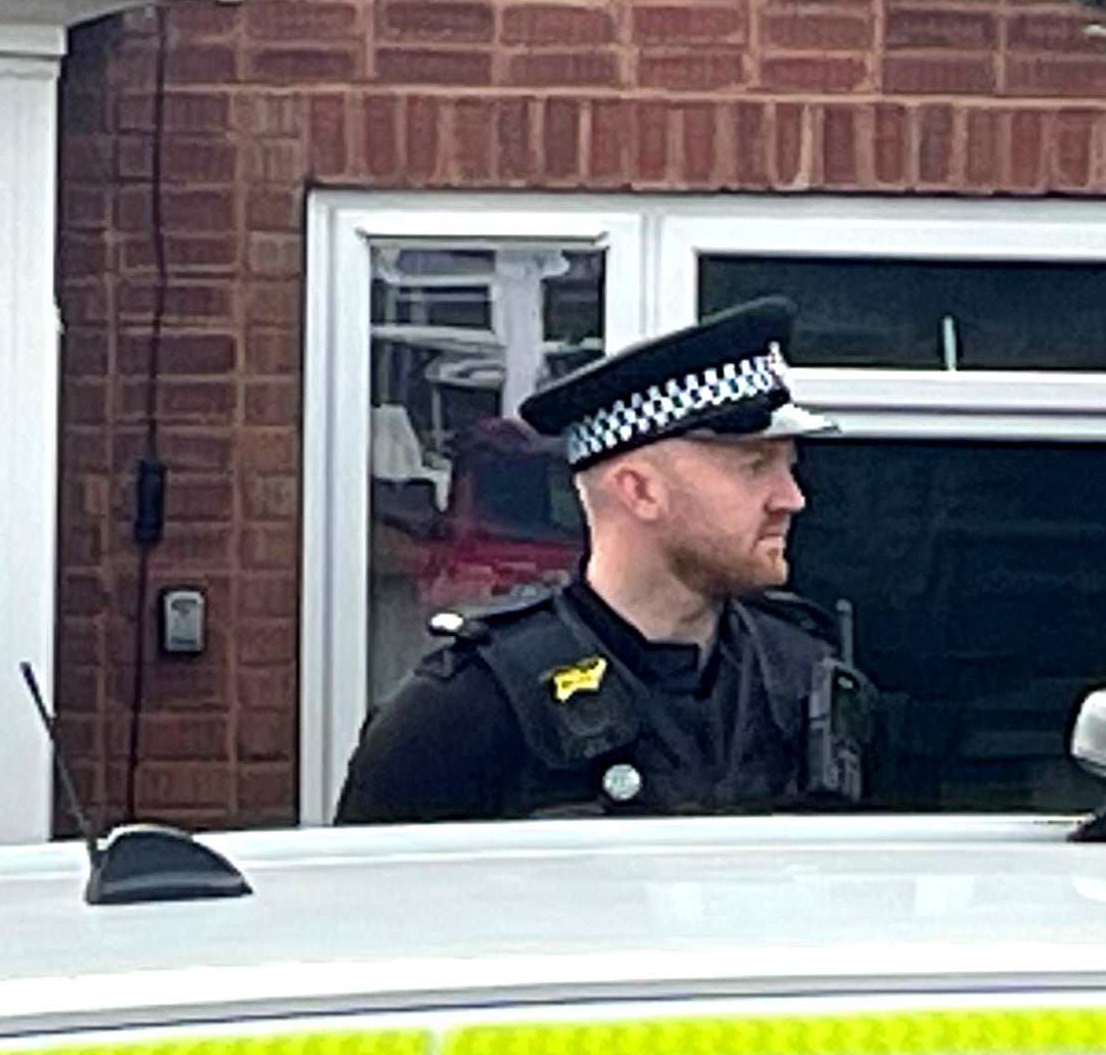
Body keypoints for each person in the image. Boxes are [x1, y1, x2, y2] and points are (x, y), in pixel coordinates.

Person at [333, 296, 870, 822]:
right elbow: (369, 906)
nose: (791, 498)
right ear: (639, 491)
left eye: (788, 467)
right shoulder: (467, 710)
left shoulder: (809, 684)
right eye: (755, 467)